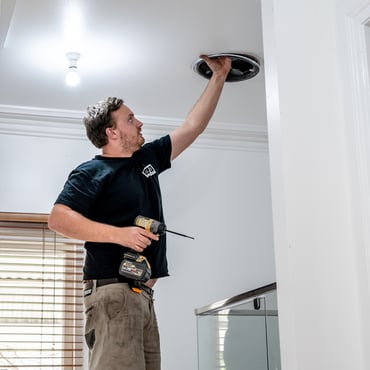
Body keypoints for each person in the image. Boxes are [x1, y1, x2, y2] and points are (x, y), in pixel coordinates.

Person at [48, 54, 231, 370]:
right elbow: (59, 218)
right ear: (112, 132)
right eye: (130, 119)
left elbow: (193, 126)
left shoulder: (146, 159)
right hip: (113, 296)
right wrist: (120, 235)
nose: (140, 122)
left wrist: (219, 76)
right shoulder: (93, 171)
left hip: (140, 297)